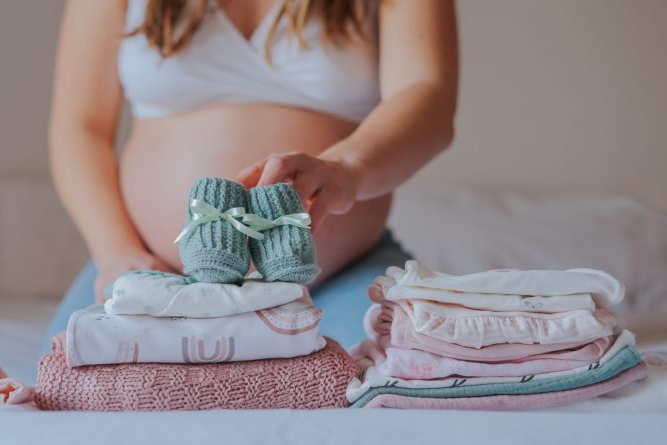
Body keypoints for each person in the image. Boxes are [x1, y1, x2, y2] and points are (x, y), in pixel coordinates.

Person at [43, 0, 458, 351]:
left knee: (405, 388)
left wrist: (345, 170)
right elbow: (80, 129)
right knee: (65, 399)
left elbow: (429, 99)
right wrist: (115, 252)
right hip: (150, 273)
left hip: (342, 275)